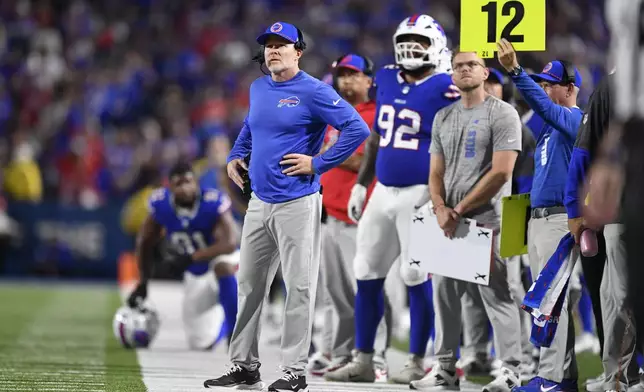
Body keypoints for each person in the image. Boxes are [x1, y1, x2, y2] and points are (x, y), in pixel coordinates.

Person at [203, 21, 370, 392]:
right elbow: (250, 126)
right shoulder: (259, 87)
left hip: (298, 201)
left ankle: (294, 371)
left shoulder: (313, 91)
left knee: (299, 288)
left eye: (283, 45)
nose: (274, 50)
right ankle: (244, 366)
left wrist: (319, 163)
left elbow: (357, 128)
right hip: (260, 202)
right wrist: (235, 155)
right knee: (248, 285)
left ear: (299, 51)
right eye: (269, 45)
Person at [324, 14, 460, 385]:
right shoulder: (384, 77)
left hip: (421, 193)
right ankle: (364, 358)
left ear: (437, 46)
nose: (411, 48)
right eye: (407, 39)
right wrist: (360, 184)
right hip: (382, 190)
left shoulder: (448, 86)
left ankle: (417, 360)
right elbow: (376, 139)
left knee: (415, 274)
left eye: (420, 41)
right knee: (365, 271)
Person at [409, 49, 523, 392]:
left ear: (485, 72)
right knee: (443, 296)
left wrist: (458, 210)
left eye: (471, 65)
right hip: (447, 221)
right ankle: (444, 370)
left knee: (497, 296)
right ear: (452, 74)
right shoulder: (444, 116)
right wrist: (441, 206)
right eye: (458, 66)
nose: (464, 70)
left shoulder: (504, 114)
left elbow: (502, 173)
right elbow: (435, 171)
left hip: (487, 219)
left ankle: (511, 370)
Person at [497, 39, 583, 392]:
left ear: (570, 89)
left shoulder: (575, 119)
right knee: (550, 300)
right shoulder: (550, 127)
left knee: (550, 302)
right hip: (540, 219)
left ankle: (551, 378)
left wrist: (516, 72)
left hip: (559, 221)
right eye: (541, 84)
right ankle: (565, 377)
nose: (544, 90)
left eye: (550, 85)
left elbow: (544, 111)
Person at [311, 53, 394, 378]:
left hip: (361, 216)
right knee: (337, 293)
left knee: (370, 287)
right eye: (342, 75)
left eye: (353, 74)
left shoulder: (378, 114)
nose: (346, 80)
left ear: (369, 80)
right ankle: (343, 353)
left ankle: (377, 356)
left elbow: (369, 163)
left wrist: (325, 155)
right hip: (329, 214)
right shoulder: (332, 115)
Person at [458, 67, 536, 381]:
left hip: (509, 212)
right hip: (471, 214)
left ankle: (523, 356)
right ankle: (476, 354)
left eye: (494, 83)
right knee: (470, 289)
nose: (488, 88)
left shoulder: (514, 125)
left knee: (510, 288)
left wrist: (521, 224)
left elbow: (525, 181)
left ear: (504, 90)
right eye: (484, 83)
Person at [126, 162, 240, 351]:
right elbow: (144, 243)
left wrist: (192, 257)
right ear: (169, 187)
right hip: (196, 276)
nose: (185, 188)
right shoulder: (161, 205)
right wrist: (143, 283)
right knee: (201, 342)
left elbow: (229, 244)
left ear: (196, 183)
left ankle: (236, 333)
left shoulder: (212, 202)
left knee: (223, 265)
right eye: (178, 184)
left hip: (228, 263)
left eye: (188, 182)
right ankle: (225, 323)